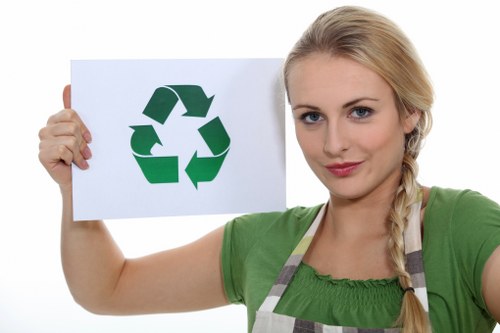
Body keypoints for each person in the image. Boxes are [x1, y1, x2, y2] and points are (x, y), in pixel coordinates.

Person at [38, 5, 500, 333]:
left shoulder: (465, 229)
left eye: (360, 111)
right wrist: (78, 185)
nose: (334, 144)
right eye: (311, 116)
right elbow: (108, 290)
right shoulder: (259, 241)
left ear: (409, 113)